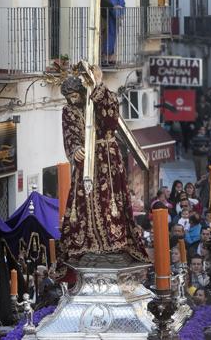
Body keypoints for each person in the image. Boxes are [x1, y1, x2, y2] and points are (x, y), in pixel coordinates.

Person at [59, 69, 148, 264]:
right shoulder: (68, 110)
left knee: (110, 200)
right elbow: (69, 134)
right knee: (86, 201)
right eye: (69, 97)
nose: (73, 101)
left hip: (107, 157)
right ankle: (88, 242)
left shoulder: (98, 99)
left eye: (74, 96)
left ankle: (113, 239)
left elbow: (110, 118)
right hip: (85, 163)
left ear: (82, 92)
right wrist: (75, 150)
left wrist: (99, 86)